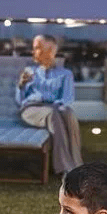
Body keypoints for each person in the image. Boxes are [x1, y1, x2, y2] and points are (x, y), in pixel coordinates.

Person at [17, 35, 84, 174]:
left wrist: (55, 105)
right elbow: (20, 100)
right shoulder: (29, 72)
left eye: (37, 48)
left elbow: (67, 98)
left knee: (68, 113)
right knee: (52, 113)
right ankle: (65, 168)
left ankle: (77, 163)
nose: (33, 52)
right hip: (31, 109)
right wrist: (21, 85)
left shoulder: (65, 74)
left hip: (54, 108)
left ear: (50, 50)